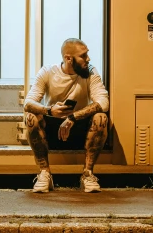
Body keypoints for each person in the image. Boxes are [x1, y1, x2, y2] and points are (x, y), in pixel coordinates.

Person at [23, 38, 109, 193]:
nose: (88, 59)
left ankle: (87, 174)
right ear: (68, 58)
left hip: (79, 128)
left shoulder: (90, 71)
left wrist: (72, 117)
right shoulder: (48, 72)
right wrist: (49, 111)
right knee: (30, 117)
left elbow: (104, 102)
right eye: (83, 55)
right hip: (52, 129)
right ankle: (44, 174)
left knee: (101, 118)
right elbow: (28, 103)